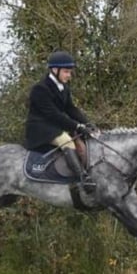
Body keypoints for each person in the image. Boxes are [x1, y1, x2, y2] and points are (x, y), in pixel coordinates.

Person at [24, 50, 99, 194]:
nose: (69, 76)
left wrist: (87, 124)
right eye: (66, 72)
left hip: (55, 126)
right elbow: (53, 115)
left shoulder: (63, 87)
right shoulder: (40, 89)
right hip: (40, 128)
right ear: (54, 70)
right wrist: (77, 126)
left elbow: (71, 109)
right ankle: (82, 179)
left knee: (83, 140)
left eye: (70, 72)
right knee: (67, 141)